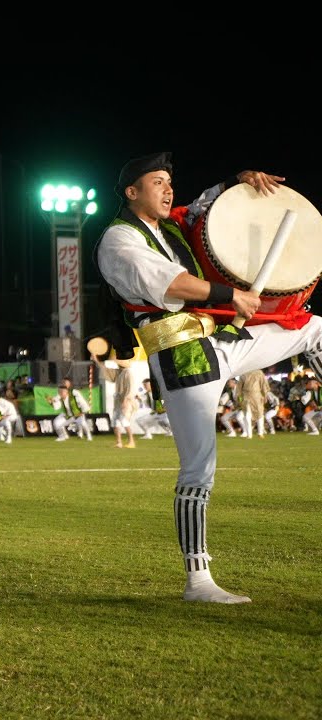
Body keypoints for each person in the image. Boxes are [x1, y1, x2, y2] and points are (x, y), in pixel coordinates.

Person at [95, 152, 322, 603]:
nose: (167, 190)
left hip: (221, 341)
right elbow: (171, 284)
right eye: (157, 182)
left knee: (315, 329)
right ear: (132, 192)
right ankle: (198, 581)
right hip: (183, 358)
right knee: (199, 468)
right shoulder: (119, 239)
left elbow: (202, 209)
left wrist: (238, 181)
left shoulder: (172, 227)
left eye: (169, 181)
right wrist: (230, 295)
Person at [238, 367, 271, 438]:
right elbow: (239, 388)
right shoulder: (243, 374)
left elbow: (263, 385)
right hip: (246, 397)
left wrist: (265, 395)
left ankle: (260, 432)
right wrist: (240, 399)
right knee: (247, 415)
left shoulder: (259, 373)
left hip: (257, 396)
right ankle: (249, 434)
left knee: (260, 414)